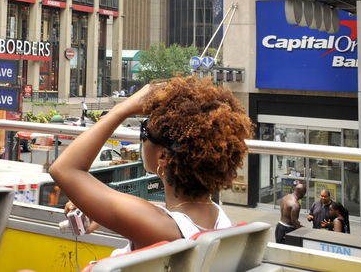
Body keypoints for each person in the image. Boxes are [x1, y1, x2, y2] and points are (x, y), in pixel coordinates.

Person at [49, 76, 253, 252]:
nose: (141, 140)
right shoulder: (216, 216)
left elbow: (64, 169)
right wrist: (99, 210)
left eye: (144, 131)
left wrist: (123, 109)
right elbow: (166, 211)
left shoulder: (161, 229)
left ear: (163, 157)